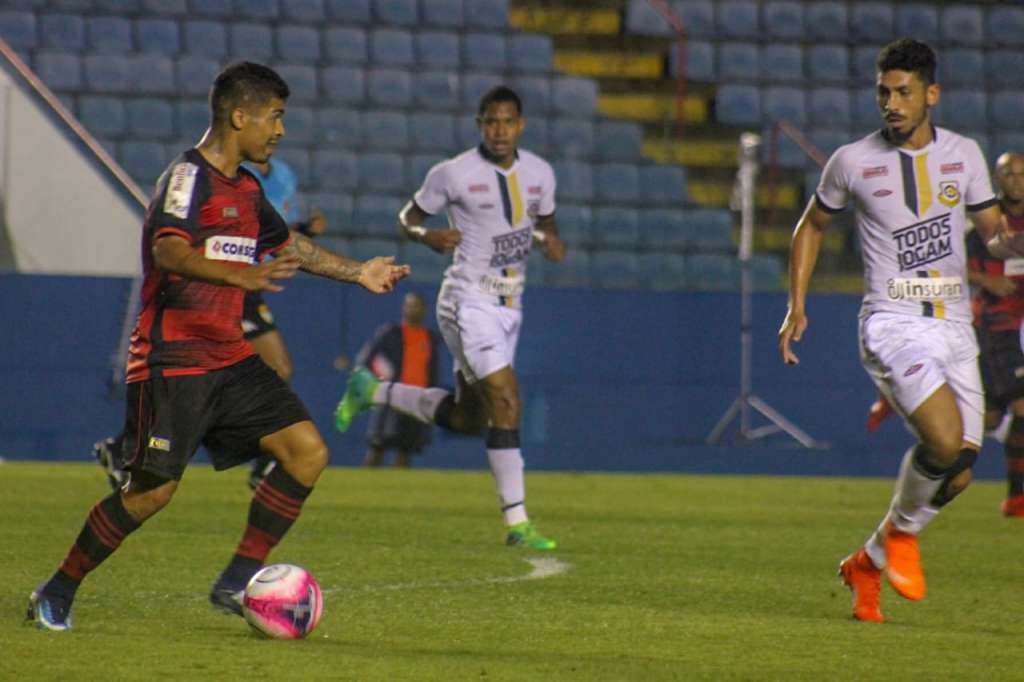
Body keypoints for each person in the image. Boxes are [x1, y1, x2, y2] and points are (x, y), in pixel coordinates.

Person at [27, 62, 409, 631]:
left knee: (307, 452)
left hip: (228, 357)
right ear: (239, 116)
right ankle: (56, 590)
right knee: (151, 495)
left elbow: (292, 246)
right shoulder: (187, 177)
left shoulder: (248, 189)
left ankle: (236, 580)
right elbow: (169, 252)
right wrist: (237, 277)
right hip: (172, 360)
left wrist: (359, 273)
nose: (279, 130)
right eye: (274, 117)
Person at [777, 39, 1010, 623]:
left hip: (956, 325)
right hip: (892, 321)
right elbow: (811, 226)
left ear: (931, 94)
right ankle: (901, 540)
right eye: (884, 91)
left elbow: (996, 236)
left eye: (904, 91)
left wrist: (1016, 241)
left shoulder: (965, 155)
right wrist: (796, 304)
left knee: (957, 475)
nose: (892, 103)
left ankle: (870, 560)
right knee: (944, 438)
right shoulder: (852, 161)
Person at [335, 85, 565, 550]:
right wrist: (426, 236)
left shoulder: (541, 174)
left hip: (509, 306)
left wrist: (548, 241)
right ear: (480, 124)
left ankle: (371, 390)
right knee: (505, 396)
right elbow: (408, 217)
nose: (499, 130)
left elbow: (544, 221)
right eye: (490, 121)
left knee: (467, 419)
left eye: (507, 121)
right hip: (466, 301)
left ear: (520, 125)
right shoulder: (453, 173)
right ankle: (518, 523)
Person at [242, 158, 327, 488]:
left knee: (278, 369)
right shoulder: (236, 174)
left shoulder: (284, 172)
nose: (276, 132)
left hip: (251, 285)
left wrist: (305, 228)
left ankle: (264, 460)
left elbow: (280, 232)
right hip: (228, 279)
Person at [966, 152, 1024, 516]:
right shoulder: (986, 224)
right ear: (997, 178)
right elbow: (953, 264)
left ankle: (942, 440)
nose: (1016, 180)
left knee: (989, 418)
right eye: (1009, 174)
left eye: (1022, 174)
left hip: (1020, 329)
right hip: (996, 329)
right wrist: (986, 279)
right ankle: (1017, 497)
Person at [355, 291, 440, 468]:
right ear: (403, 308)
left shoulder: (430, 338)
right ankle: (363, 487)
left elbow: (432, 371)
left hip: (417, 399)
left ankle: (395, 492)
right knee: (377, 446)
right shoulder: (390, 333)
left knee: (406, 450)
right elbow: (365, 360)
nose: (412, 309)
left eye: (417, 306)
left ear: (425, 310)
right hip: (391, 398)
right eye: (409, 305)